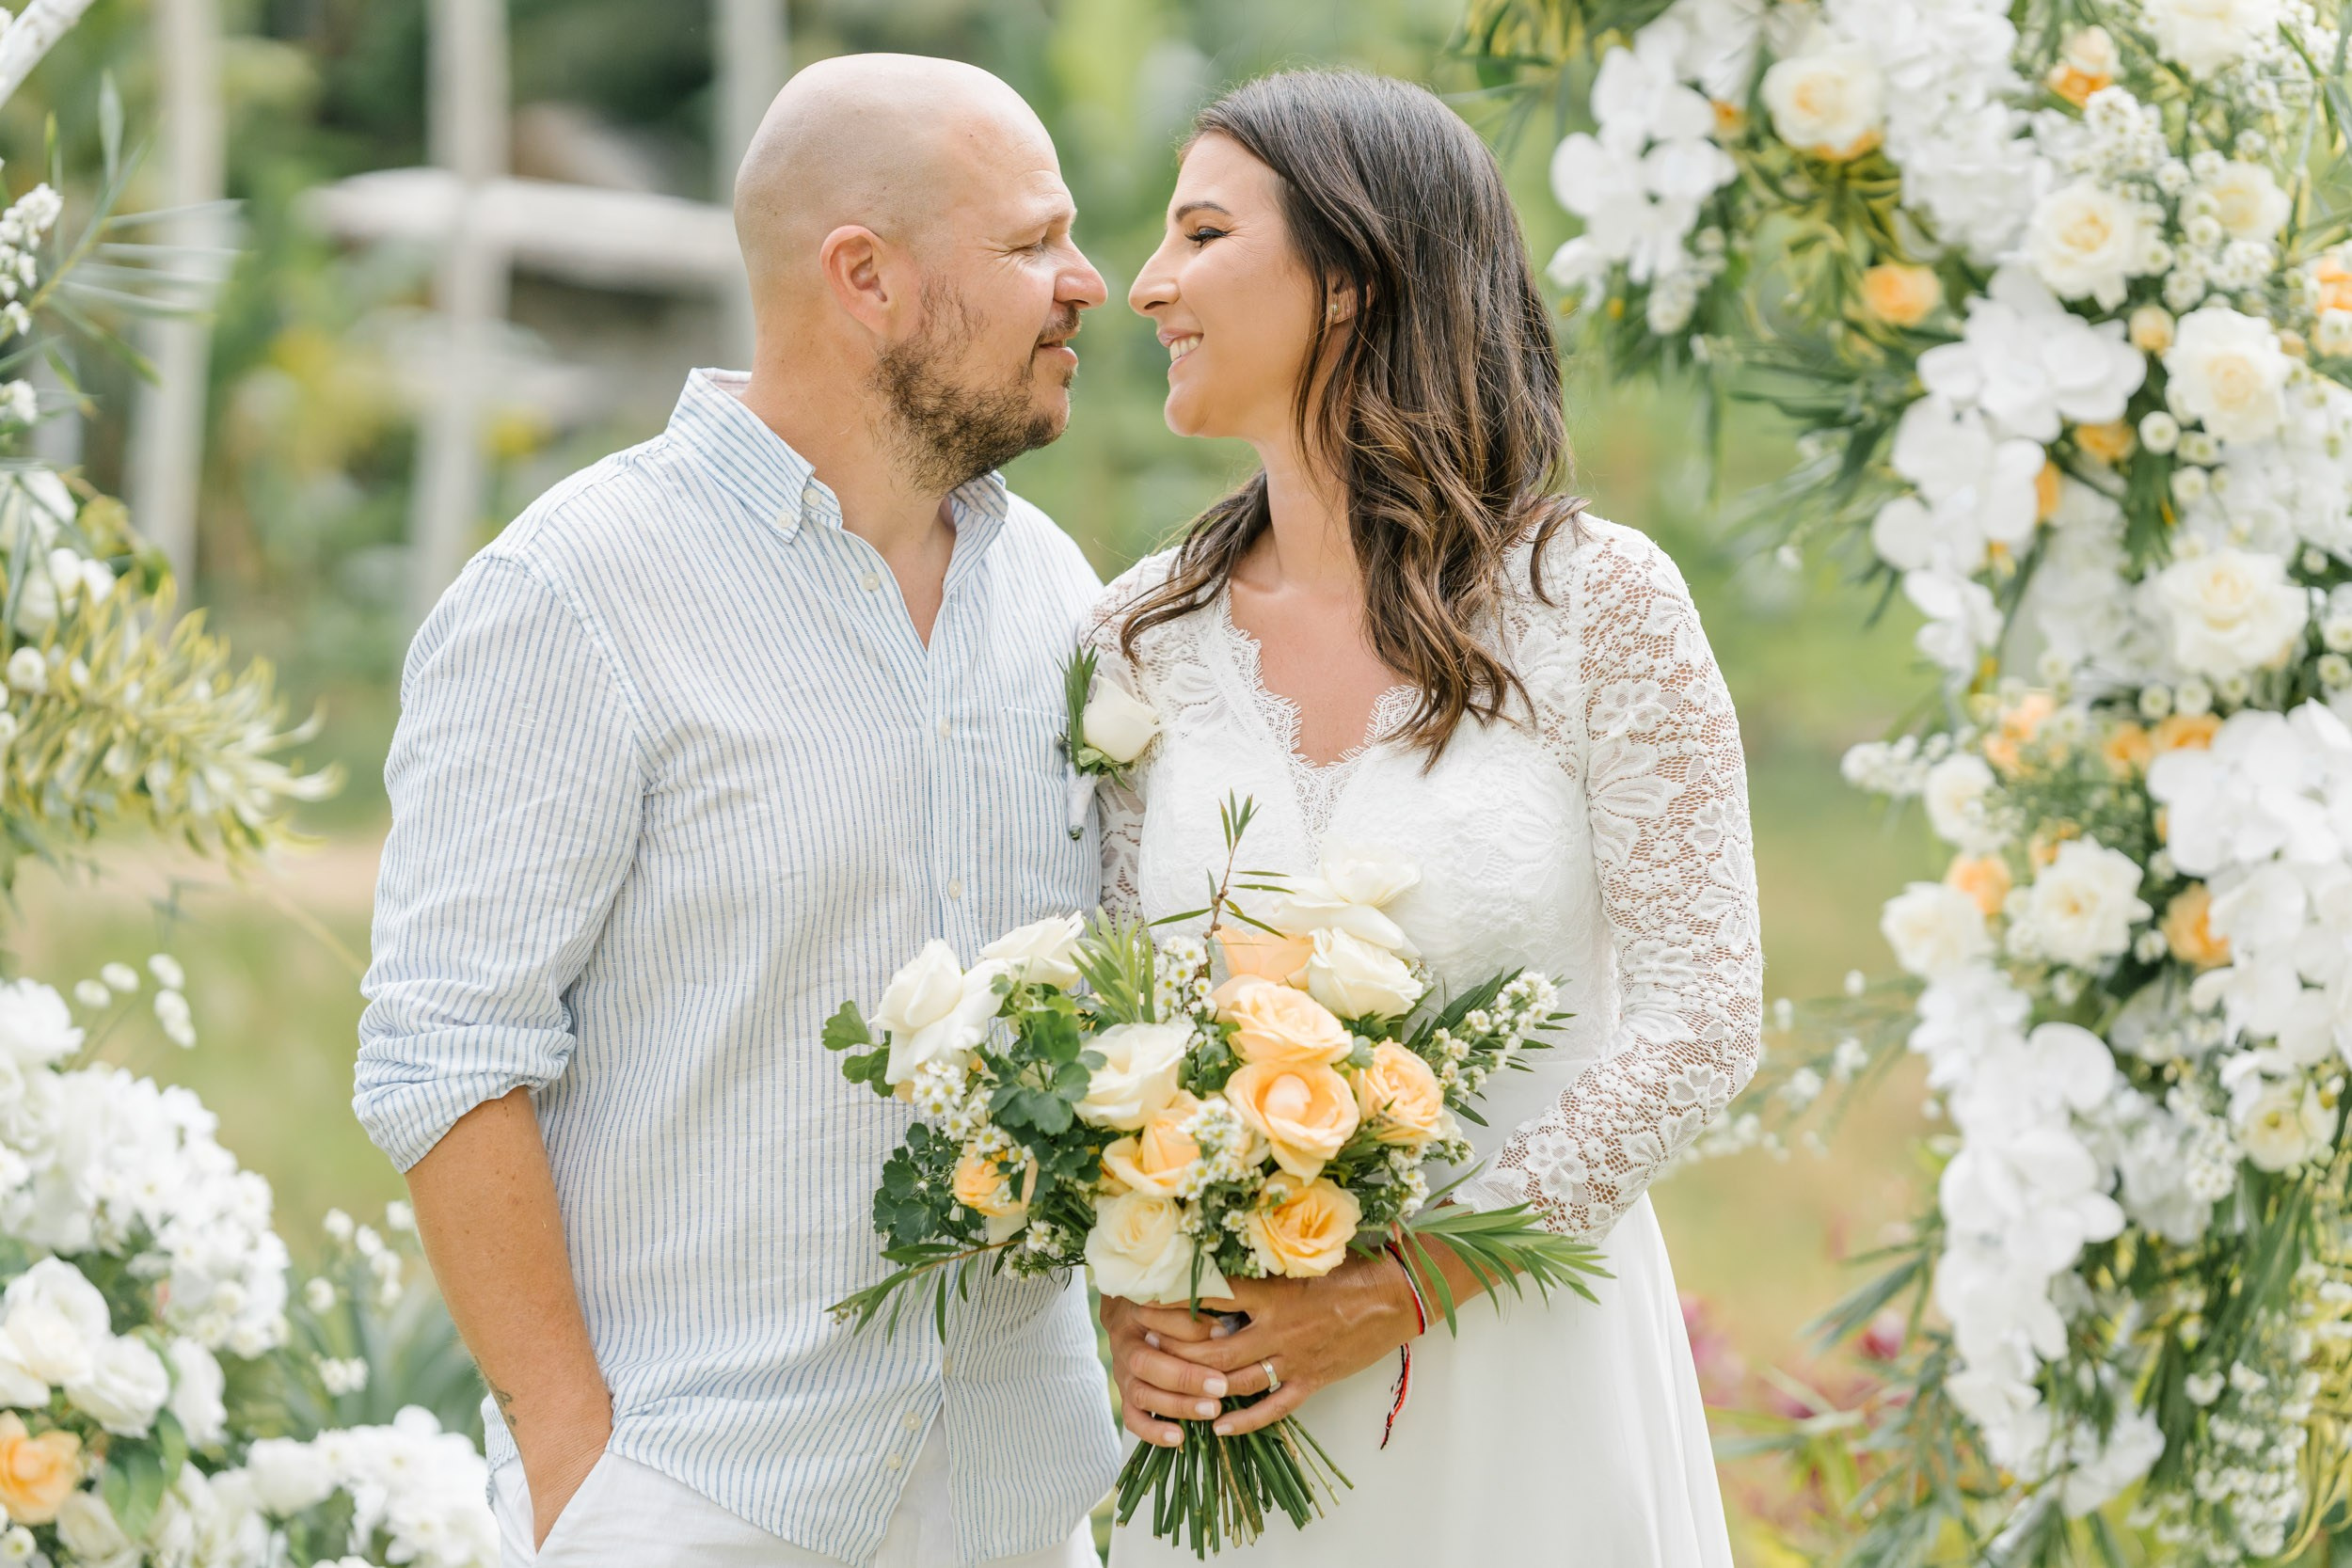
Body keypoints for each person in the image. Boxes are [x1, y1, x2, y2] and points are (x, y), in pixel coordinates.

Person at [354, 54, 1117, 1568]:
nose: (1088, 282)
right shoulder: (572, 593)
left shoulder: (1061, 595)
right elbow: (446, 1053)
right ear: (865, 277)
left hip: (1023, 1502)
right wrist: (579, 1468)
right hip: (700, 1502)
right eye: (1034, 242)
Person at [1089, 70, 1761, 1564]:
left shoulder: (1596, 604)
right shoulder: (1140, 640)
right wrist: (1130, 1301)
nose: (1146, 284)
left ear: (1351, 278)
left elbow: (1702, 1018)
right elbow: (1103, 1023)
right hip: (1235, 1397)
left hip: (1525, 1375)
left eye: (1203, 234)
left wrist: (1401, 1286)